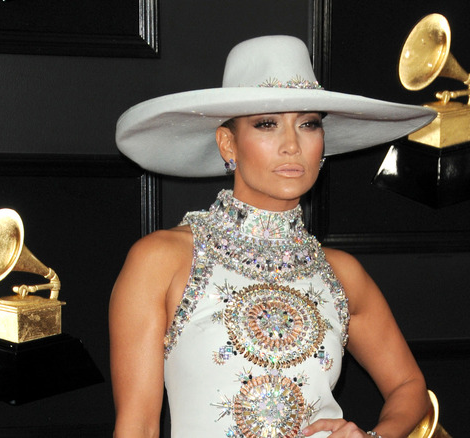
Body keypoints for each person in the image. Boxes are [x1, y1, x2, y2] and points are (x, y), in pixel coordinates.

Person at [110, 35, 438, 438]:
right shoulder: (161, 259)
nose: (291, 146)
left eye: (308, 124)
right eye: (267, 124)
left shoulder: (342, 273)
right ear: (228, 143)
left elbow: (410, 388)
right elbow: (137, 427)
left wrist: (374, 436)